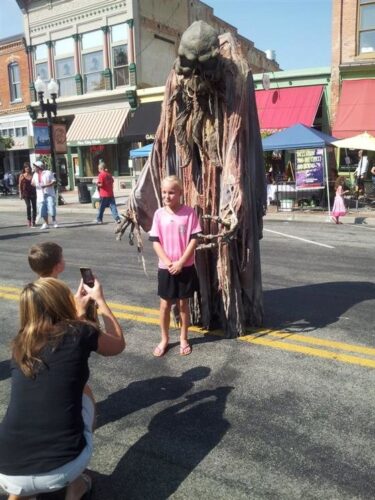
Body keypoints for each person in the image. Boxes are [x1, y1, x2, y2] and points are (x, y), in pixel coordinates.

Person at [0, 277, 125, 500]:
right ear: (61, 303)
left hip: (6, 470)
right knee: (85, 391)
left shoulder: (20, 343)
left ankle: (18, 495)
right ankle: (75, 488)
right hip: (63, 468)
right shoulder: (81, 332)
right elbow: (117, 344)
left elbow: (57, 338)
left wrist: (75, 312)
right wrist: (100, 300)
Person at [149, 175, 201, 357]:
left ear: (180, 192)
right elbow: (155, 241)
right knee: (164, 305)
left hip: (185, 267)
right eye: (164, 192)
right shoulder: (158, 214)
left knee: (183, 305)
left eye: (171, 192)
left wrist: (180, 262)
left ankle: (183, 338)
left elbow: (194, 239)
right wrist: (169, 262)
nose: (167, 196)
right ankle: (164, 339)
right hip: (166, 268)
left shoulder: (189, 213)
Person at [31, 160, 58, 230]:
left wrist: (46, 185)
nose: (33, 168)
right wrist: (37, 185)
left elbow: (54, 181)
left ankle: (54, 221)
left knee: (51, 208)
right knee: (42, 210)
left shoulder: (48, 173)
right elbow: (32, 183)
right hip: (40, 195)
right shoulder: (35, 174)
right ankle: (46, 223)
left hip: (49, 193)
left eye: (34, 167)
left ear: (38, 167)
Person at [18, 162, 37, 227]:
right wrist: (20, 193)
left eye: (28, 167)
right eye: (26, 167)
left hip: (33, 192)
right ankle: (29, 220)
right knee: (28, 206)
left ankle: (33, 221)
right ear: (24, 168)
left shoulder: (33, 175)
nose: (27, 168)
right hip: (25, 193)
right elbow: (20, 185)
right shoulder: (22, 175)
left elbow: (36, 183)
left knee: (34, 207)